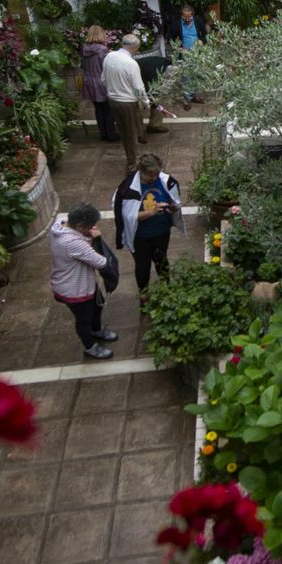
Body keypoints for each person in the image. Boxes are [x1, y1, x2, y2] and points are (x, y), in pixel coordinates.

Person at [48, 203, 120, 360]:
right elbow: (101, 262)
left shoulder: (58, 225)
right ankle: (90, 346)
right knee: (83, 320)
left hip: (82, 283)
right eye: (90, 226)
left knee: (97, 305)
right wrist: (95, 239)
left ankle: (97, 330)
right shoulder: (72, 243)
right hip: (75, 290)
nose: (93, 228)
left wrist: (88, 236)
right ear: (79, 226)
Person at [114, 152, 184, 296]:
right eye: (150, 176)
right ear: (141, 171)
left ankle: (167, 290)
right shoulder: (127, 189)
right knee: (142, 266)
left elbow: (174, 199)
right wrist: (152, 212)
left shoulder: (166, 181)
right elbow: (127, 216)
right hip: (140, 236)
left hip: (162, 231)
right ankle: (144, 294)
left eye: (156, 175)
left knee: (162, 261)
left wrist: (172, 207)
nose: (154, 178)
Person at [102, 33, 150, 172]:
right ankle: (132, 164)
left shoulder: (109, 56)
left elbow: (103, 79)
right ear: (134, 48)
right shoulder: (131, 63)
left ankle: (132, 158)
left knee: (123, 132)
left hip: (113, 100)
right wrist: (145, 102)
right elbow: (138, 88)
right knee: (131, 133)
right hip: (127, 103)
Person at [80, 26, 120, 142]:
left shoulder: (84, 49)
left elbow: (82, 66)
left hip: (89, 81)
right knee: (108, 108)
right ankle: (111, 133)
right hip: (101, 81)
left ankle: (103, 133)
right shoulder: (102, 50)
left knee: (98, 108)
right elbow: (107, 66)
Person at [165, 4, 210, 105]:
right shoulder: (175, 24)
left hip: (197, 54)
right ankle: (187, 99)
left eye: (190, 17)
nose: (188, 19)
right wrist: (179, 48)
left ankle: (195, 96)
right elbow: (170, 40)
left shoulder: (198, 21)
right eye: (185, 17)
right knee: (186, 77)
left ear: (192, 14)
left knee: (197, 75)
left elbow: (205, 35)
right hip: (184, 55)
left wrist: (201, 41)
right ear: (181, 15)